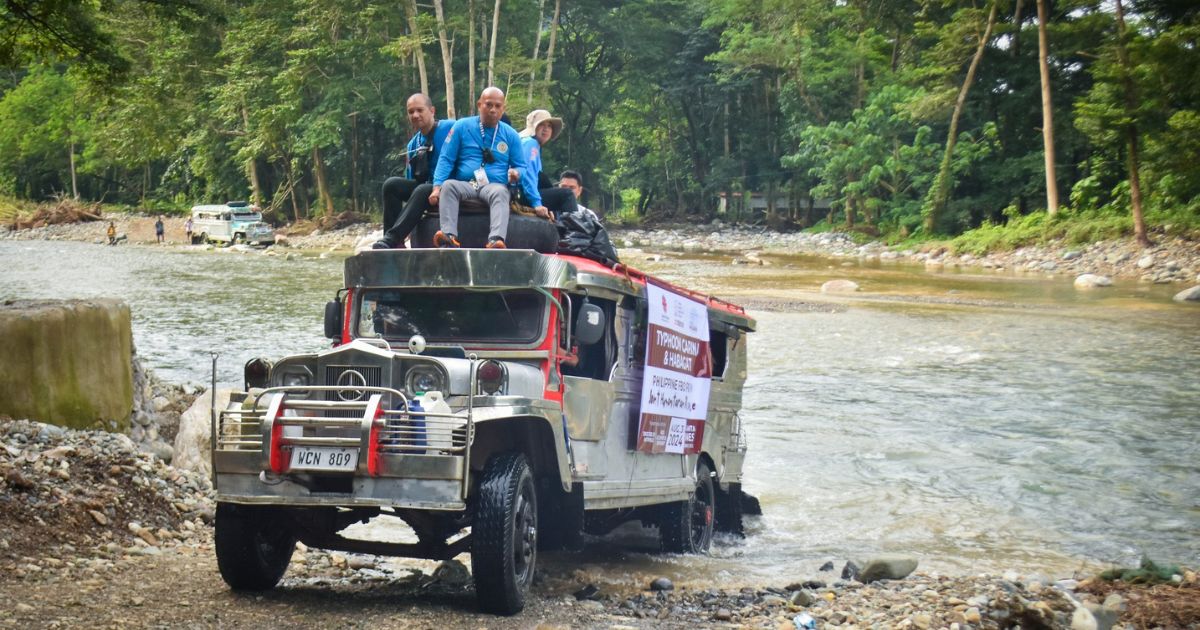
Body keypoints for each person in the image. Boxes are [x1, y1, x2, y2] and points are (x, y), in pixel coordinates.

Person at [429, 87, 544, 249]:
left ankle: (496, 240)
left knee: (501, 192)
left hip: (494, 185)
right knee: (448, 186)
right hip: (468, 184)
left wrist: (517, 173)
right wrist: (436, 187)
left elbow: (522, 166)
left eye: (498, 106)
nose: (493, 110)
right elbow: (446, 159)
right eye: (488, 104)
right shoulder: (461, 126)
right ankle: (448, 236)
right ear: (479, 105)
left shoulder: (511, 135)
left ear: (503, 108)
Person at [373, 93, 456, 249]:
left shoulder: (451, 128)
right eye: (411, 112)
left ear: (432, 111)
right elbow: (413, 178)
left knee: (422, 189)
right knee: (391, 185)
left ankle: (392, 239)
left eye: (420, 110)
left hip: (449, 186)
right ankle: (394, 242)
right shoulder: (413, 144)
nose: (415, 115)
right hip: (424, 190)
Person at [517, 109, 580, 222]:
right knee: (567, 194)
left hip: (522, 192)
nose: (546, 129)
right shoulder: (530, 143)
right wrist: (537, 204)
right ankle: (575, 229)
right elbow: (528, 175)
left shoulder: (531, 145)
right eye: (541, 125)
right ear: (534, 128)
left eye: (549, 126)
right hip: (520, 193)